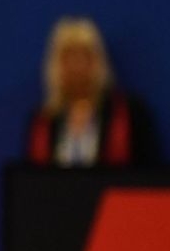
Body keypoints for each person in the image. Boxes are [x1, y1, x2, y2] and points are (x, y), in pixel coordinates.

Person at [26, 16, 160, 168]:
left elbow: (150, 178)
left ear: (99, 62)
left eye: (84, 56)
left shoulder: (129, 113)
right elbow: (29, 181)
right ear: (56, 66)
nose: (76, 66)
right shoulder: (43, 121)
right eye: (68, 57)